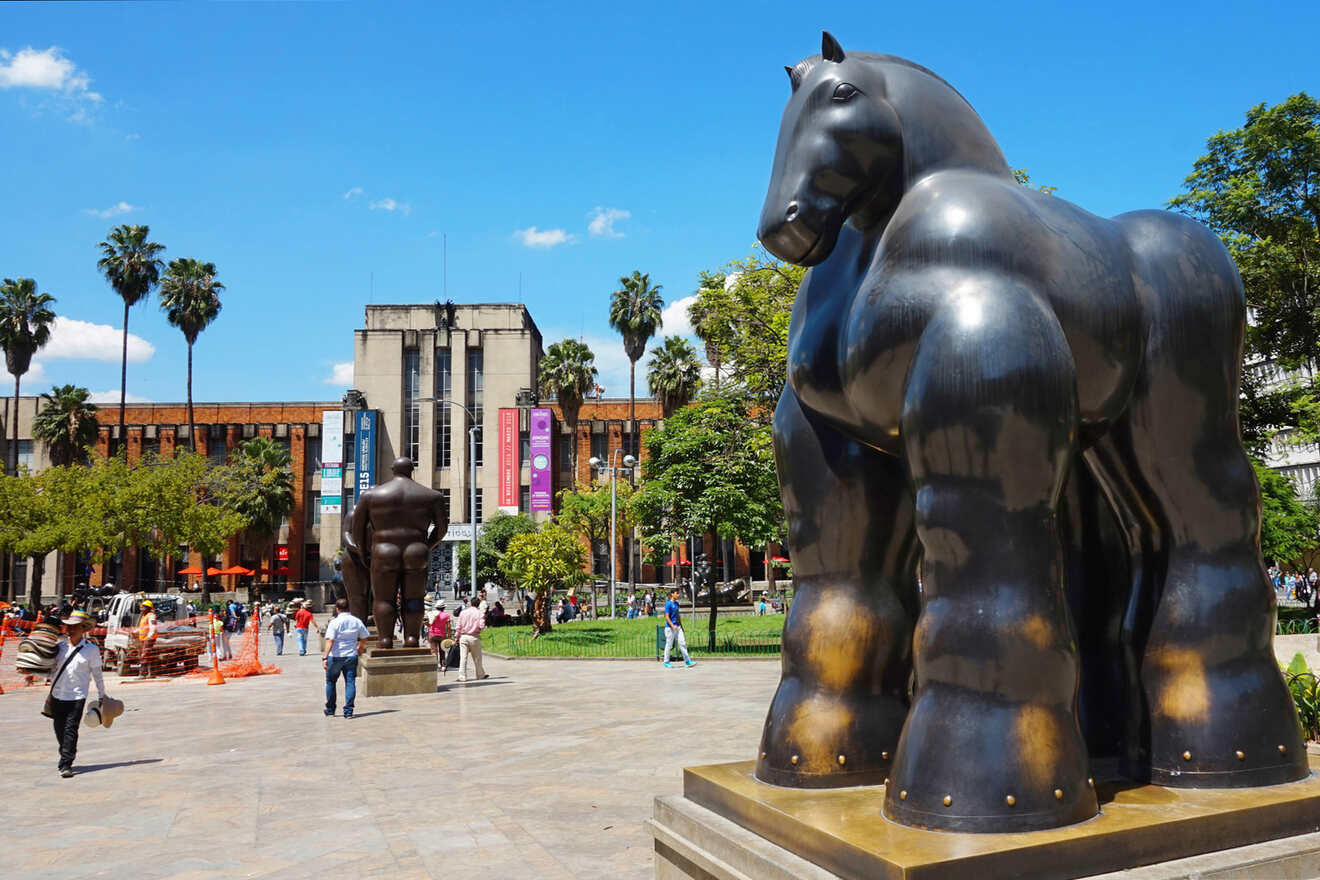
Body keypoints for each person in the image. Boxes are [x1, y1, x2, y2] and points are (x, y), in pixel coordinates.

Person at [48, 610, 108, 778]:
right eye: (69, 626)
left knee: (70, 728)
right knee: (59, 728)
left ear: (84, 629)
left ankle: (66, 763)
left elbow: (97, 674)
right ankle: (67, 750)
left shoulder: (91, 650)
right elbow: (49, 671)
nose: (71, 630)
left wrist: (102, 695)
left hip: (77, 696)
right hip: (57, 694)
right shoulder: (59, 647)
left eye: (75, 627)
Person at [322, 598, 369, 718]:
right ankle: (348, 711)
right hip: (351, 655)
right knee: (350, 682)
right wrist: (360, 648)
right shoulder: (356, 621)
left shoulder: (334, 622)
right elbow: (364, 637)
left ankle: (331, 709)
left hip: (336, 656)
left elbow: (330, 640)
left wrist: (325, 657)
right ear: (349, 608)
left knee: (331, 682)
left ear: (337, 609)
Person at [455, 595, 488, 683]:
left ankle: (462, 676)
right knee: (477, 657)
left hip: (464, 636)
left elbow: (458, 626)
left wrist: (456, 637)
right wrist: (478, 630)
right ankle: (480, 675)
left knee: (463, 657)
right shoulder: (480, 613)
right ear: (478, 604)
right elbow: (482, 626)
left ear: (470, 603)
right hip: (474, 636)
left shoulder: (463, 612)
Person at [662, 588, 696, 669]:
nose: (678, 595)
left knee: (682, 643)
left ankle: (687, 661)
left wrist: (681, 626)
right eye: (677, 593)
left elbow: (678, 616)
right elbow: (667, 617)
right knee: (669, 645)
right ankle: (666, 662)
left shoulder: (677, 604)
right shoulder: (668, 604)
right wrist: (672, 625)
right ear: (672, 594)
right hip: (670, 628)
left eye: (678, 593)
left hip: (678, 627)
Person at [137, 599, 158, 679]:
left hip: (148, 639)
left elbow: (153, 627)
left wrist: (149, 637)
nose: (141, 609)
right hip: (144, 639)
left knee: (144, 655)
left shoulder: (151, 615)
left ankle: (143, 674)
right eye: (141, 607)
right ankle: (151, 673)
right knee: (148, 656)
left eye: (143, 607)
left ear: (148, 608)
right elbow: (143, 627)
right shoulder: (144, 616)